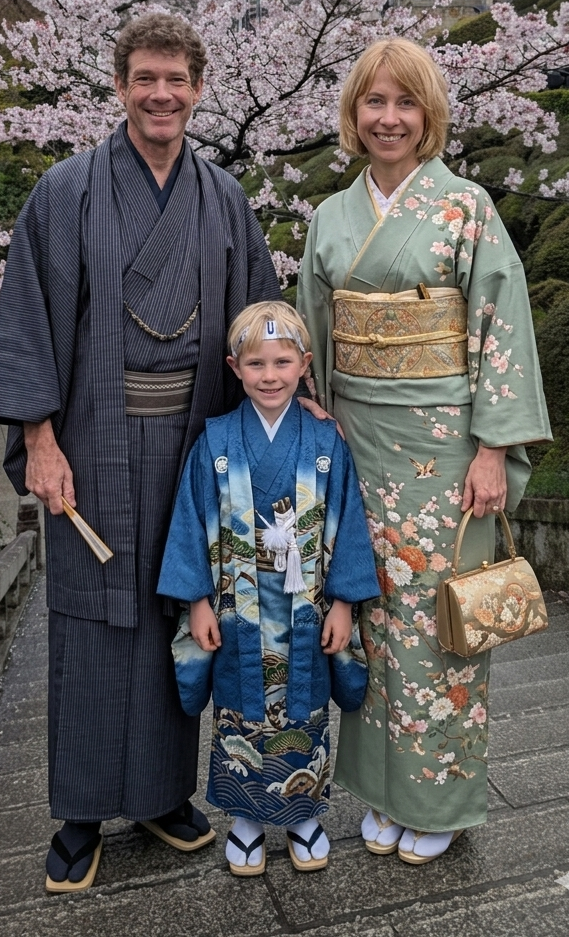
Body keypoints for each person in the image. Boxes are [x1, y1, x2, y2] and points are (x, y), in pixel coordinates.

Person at [0, 12, 280, 892]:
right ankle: (78, 812)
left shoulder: (222, 195)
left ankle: (158, 793)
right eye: (145, 78)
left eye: (177, 79)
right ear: (119, 85)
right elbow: (28, 320)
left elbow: (260, 318)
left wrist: (290, 412)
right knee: (90, 616)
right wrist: (38, 438)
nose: (161, 94)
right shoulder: (63, 192)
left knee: (179, 610)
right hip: (94, 439)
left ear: (197, 88)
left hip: (193, 442)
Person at [297, 39, 551, 865]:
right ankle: (379, 790)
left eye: (406, 103)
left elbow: (500, 328)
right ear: (354, 114)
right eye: (374, 103)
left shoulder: (466, 206)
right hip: (358, 443)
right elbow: (315, 338)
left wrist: (492, 447)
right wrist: (318, 425)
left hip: (446, 450)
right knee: (366, 615)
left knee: (441, 624)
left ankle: (437, 795)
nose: (389, 119)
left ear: (429, 115)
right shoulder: (333, 217)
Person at [157, 302, 378, 877]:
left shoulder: (326, 443)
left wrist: (348, 605)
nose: (271, 375)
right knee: (238, 707)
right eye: (256, 363)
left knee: (305, 706)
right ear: (234, 367)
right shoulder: (217, 440)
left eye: (283, 362)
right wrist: (198, 600)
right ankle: (246, 821)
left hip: (309, 605)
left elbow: (348, 523)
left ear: (306, 364)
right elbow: (191, 519)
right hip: (237, 606)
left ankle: (305, 817)